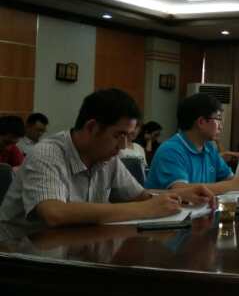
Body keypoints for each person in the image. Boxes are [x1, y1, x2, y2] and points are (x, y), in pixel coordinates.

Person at [0, 89, 214, 229]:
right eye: (118, 135)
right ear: (92, 127)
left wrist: (179, 195)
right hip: (21, 259)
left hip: (73, 252)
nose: (123, 146)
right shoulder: (48, 153)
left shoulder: (107, 157)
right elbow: (54, 213)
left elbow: (140, 196)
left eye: (128, 136)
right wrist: (145, 209)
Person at [145, 93, 239, 194]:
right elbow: (181, 190)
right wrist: (234, 184)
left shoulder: (209, 148)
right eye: (218, 119)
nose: (221, 126)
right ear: (201, 122)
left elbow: (229, 179)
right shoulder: (170, 150)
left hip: (200, 211)